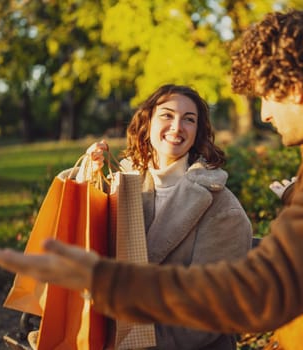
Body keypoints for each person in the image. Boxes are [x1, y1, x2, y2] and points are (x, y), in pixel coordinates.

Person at [0, 10, 303, 350]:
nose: (263, 112)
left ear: (296, 89)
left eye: (266, 97)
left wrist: (102, 279)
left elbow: (262, 290)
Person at [44, 84, 254, 350]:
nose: (177, 127)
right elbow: (76, 222)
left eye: (188, 119)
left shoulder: (223, 210)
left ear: (197, 132)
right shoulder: (125, 186)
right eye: (167, 115)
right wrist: (89, 173)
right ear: (147, 122)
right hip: (104, 335)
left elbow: (210, 311)